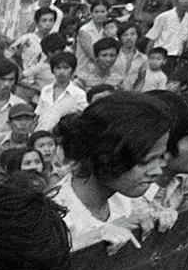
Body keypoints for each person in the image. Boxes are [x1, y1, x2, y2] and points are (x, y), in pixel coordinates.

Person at [51, 92, 174, 251]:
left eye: (160, 158)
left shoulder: (129, 200)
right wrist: (90, 240)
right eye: (145, 161)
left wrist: (162, 221)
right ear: (108, 156)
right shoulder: (53, 219)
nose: (157, 171)